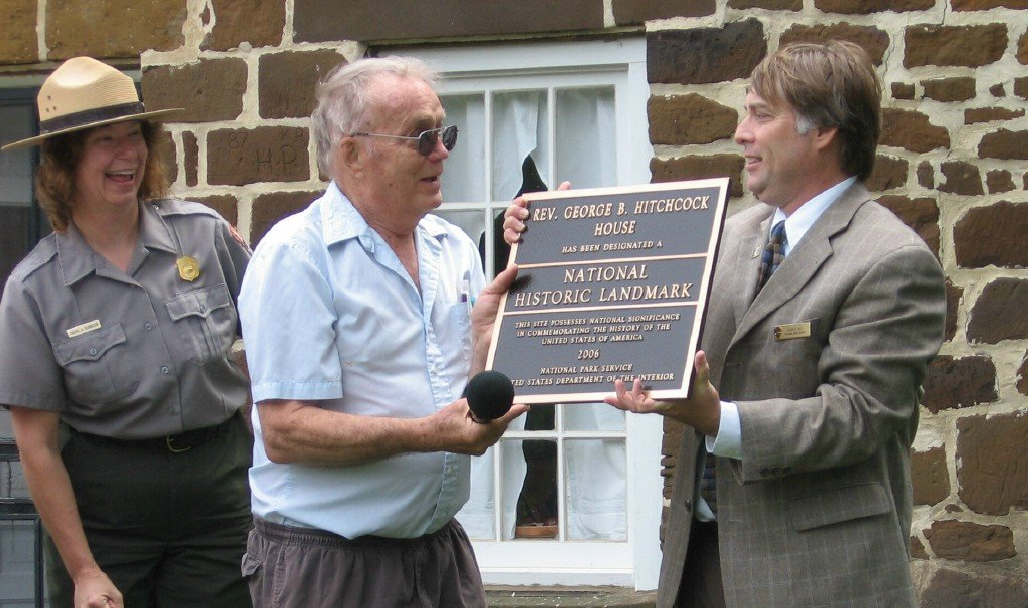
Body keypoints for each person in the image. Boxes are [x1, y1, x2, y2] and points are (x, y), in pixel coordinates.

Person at [504, 41, 946, 607]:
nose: (741, 132)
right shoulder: (734, 232)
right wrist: (550, 240)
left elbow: (856, 417)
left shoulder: (888, 258)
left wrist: (718, 418)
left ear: (824, 130)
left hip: (821, 576)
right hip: (701, 560)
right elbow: (639, 311)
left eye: (761, 115)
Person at [237, 56, 528, 608]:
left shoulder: (454, 248)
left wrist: (489, 338)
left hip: (438, 553)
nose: (441, 151)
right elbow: (285, 432)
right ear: (353, 152)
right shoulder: (298, 255)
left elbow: (459, 402)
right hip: (330, 565)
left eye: (445, 133)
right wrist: (430, 434)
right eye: (421, 136)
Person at [0, 57, 253, 608]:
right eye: (105, 140)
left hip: (218, 494)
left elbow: (275, 339)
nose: (128, 154)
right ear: (65, 161)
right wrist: (84, 570)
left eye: (135, 135)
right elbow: (37, 446)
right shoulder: (34, 290)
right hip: (104, 512)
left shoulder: (204, 236)